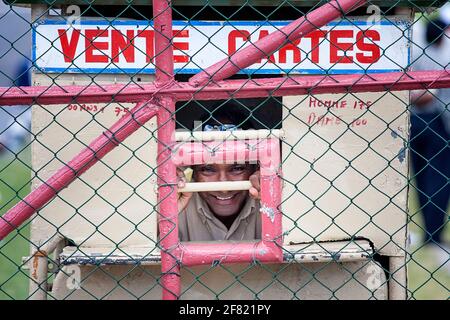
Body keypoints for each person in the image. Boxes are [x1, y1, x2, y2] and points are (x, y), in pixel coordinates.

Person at [176, 102, 263, 241]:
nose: (224, 187)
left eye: (237, 169)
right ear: (192, 169)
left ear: (255, 167)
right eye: (208, 169)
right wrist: (164, 214)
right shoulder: (177, 197)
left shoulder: (270, 196)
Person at [410, 17, 450, 263]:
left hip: (413, 122)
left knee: (421, 178)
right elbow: (428, 96)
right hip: (437, 120)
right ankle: (433, 233)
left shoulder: (413, 52)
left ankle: (429, 231)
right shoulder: (443, 55)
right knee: (440, 178)